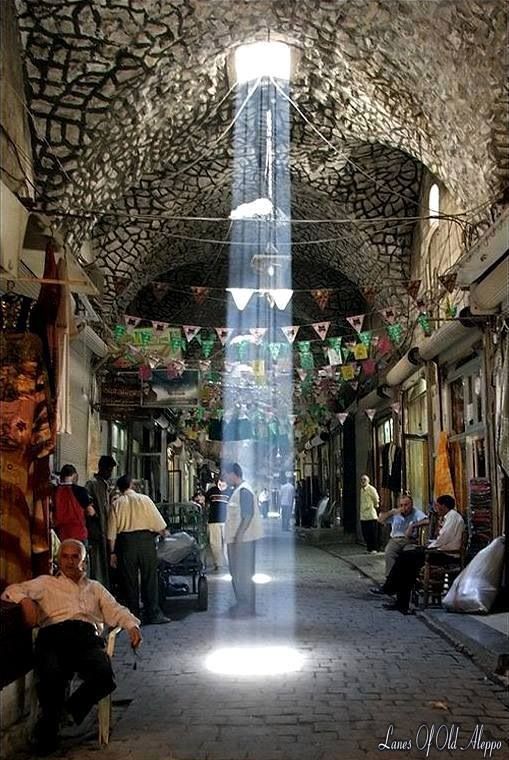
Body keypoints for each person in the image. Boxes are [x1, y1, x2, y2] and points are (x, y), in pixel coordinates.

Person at [1, 539, 141, 756]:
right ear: (58, 560)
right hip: (54, 636)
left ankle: (67, 712)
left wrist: (132, 626)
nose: (69, 561)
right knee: (51, 675)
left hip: (86, 638)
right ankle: (47, 733)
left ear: (83, 561)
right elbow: (11, 591)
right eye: (65, 556)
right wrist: (26, 601)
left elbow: (116, 609)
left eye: (75, 556)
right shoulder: (46, 583)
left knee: (104, 673)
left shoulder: (95, 588)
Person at [381, 495, 465, 613]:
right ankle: (398, 598)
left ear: (444, 506)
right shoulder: (449, 516)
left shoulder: (453, 517)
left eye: (438, 506)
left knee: (408, 560)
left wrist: (428, 547)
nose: (436, 508)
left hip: (446, 554)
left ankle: (391, 590)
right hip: (439, 551)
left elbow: (443, 538)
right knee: (405, 558)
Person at [108, 475, 169, 625]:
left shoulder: (117, 504)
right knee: (150, 577)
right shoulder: (145, 500)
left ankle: (132, 615)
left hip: (125, 544)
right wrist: (165, 535)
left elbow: (111, 533)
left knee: (129, 580)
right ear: (131, 485)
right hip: (145, 542)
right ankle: (152, 613)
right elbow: (159, 525)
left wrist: (112, 553)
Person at [223, 462, 264, 617]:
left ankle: (246, 606)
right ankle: (242, 604)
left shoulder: (244, 491)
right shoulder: (239, 491)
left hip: (242, 541)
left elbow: (248, 515)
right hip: (238, 539)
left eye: (225, 475)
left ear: (233, 474)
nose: (224, 478)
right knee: (238, 573)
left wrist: (239, 536)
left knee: (243, 574)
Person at [370, 493, 427, 593]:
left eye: (406, 505)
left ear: (411, 505)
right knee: (389, 553)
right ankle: (390, 583)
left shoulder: (415, 512)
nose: (404, 508)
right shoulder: (395, 514)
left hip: (410, 540)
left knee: (408, 556)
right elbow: (380, 520)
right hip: (396, 539)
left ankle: (408, 583)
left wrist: (413, 525)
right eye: (401, 505)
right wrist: (391, 512)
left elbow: (427, 521)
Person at [85, 455, 117, 588]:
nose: (110, 473)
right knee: (97, 565)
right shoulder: (91, 484)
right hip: (97, 532)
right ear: (101, 468)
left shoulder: (106, 485)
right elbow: (88, 508)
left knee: (105, 564)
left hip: (106, 531)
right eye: (108, 470)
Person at [52, 465, 95, 545]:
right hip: (78, 534)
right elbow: (90, 512)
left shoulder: (54, 491)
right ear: (74, 475)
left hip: (61, 535)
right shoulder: (80, 491)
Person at [205, 476, 230, 570]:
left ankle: (228, 562)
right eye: (220, 482)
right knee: (215, 543)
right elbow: (206, 503)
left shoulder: (230, 492)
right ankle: (218, 563)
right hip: (213, 521)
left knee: (227, 543)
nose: (221, 484)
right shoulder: (211, 491)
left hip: (227, 521)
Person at [359, 474, 380, 553]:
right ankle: (369, 548)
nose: (363, 481)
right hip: (363, 515)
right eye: (362, 480)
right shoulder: (362, 490)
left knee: (372, 533)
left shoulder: (371, 489)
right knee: (365, 533)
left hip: (371, 514)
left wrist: (375, 505)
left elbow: (376, 498)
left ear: (368, 481)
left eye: (364, 480)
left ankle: (374, 548)